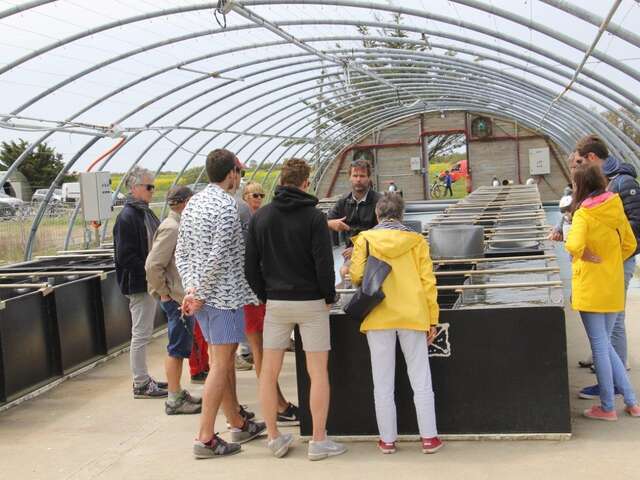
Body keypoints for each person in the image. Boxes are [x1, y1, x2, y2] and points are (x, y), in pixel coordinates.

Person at [245, 158, 346, 461]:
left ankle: (275, 438)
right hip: (312, 303)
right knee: (317, 373)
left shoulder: (261, 217)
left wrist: (266, 295)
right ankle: (318, 441)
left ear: (281, 181)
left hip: (277, 303)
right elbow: (324, 263)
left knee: (268, 373)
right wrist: (328, 296)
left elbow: (250, 266)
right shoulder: (314, 217)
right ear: (305, 183)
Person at [176, 149, 266, 459]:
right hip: (224, 298)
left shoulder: (193, 205)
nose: (239, 179)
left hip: (202, 298)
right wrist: (199, 293)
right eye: (238, 173)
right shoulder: (228, 208)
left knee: (220, 360)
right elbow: (218, 256)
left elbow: (182, 253)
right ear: (230, 173)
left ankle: (236, 422)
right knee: (221, 365)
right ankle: (205, 437)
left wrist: (191, 289)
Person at [349, 193, 443, 454]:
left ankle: (387, 440)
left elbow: (357, 276)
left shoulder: (365, 239)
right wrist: (433, 319)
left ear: (377, 215)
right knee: (421, 378)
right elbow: (428, 283)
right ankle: (429, 438)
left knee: (382, 381)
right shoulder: (417, 242)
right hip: (413, 315)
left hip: (378, 316)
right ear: (402, 215)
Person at [564, 163, 639, 420]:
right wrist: (610, 260)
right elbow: (630, 244)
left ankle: (607, 406)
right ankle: (631, 400)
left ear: (580, 187)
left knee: (600, 347)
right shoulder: (616, 208)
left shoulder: (584, 214)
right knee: (605, 345)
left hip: (592, 287)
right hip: (613, 284)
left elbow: (573, 244)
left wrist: (585, 254)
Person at [241, 181, 300, 425]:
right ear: (245, 197)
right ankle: (276, 405)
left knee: (265, 349)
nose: (258, 199)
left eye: (261, 195)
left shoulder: (260, 219)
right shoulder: (248, 221)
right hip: (252, 294)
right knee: (260, 350)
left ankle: (278, 402)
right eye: (254, 195)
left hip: (259, 292)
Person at [145, 186, 201, 415]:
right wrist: (164, 293)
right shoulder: (172, 228)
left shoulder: (178, 226)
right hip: (176, 300)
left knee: (181, 346)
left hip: (179, 297)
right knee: (177, 348)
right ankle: (174, 398)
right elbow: (152, 265)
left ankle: (177, 392)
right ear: (183, 203)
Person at [113, 166, 167, 399]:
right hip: (138, 283)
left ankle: (143, 378)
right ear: (134, 189)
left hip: (145, 282)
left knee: (144, 332)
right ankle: (141, 383)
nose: (152, 191)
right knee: (141, 334)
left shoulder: (142, 213)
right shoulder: (127, 217)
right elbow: (124, 256)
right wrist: (149, 270)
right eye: (149, 187)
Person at [327, 159, 382, 259]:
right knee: (345, 271)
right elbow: (324, 220)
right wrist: (331, 223)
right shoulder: (344, 201)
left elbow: (385, 234)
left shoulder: (380, 202)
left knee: (347, 271)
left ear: (369, 178)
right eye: (355, 176)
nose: (358, 180)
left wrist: (359, 249)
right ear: (350, 178)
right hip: (351, 253)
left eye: (362, 176)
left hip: (375, 253)